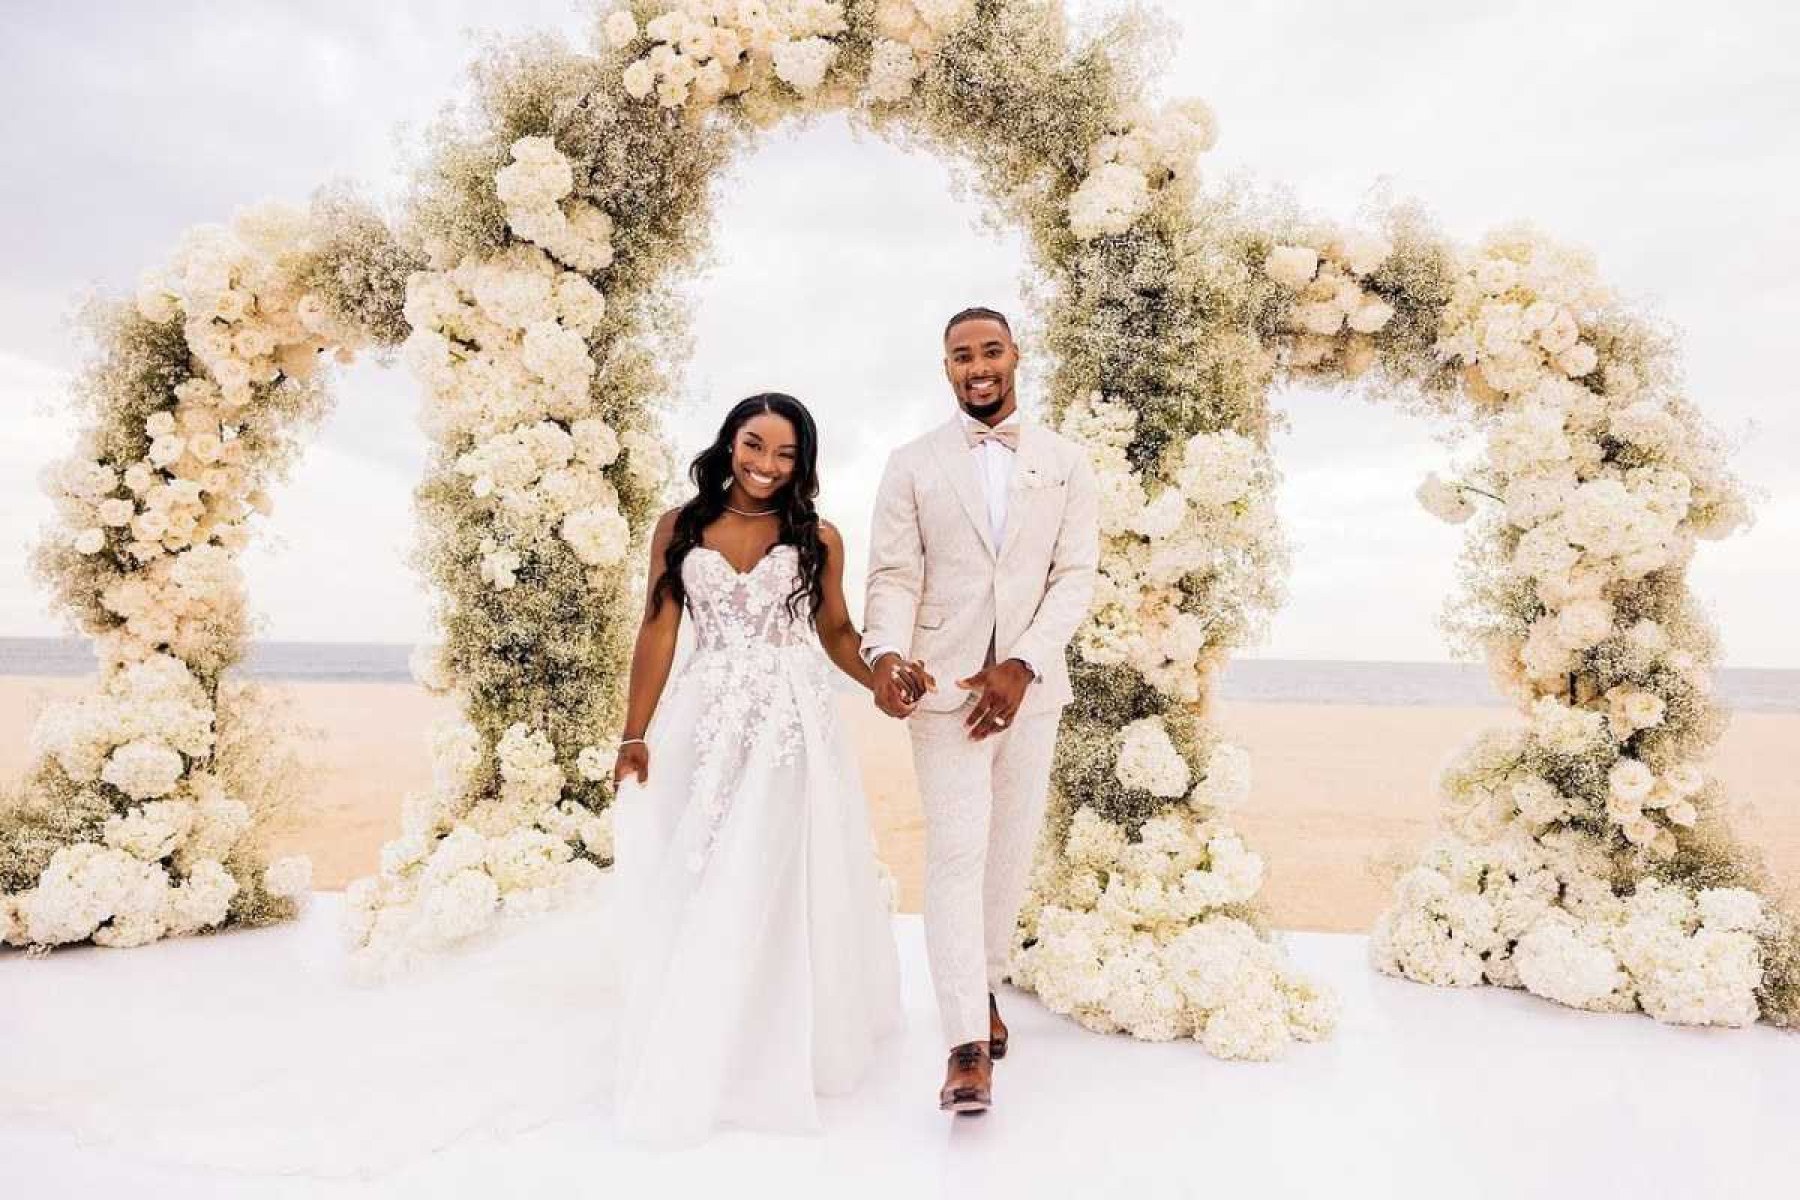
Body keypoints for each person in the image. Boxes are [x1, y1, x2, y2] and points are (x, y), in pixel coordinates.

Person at [609, 392, 903, 1146]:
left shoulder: (818, 536)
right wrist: (633, 734)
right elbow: (658, 627)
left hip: (790, 720)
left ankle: (781, 1037)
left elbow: (836, 631)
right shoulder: (680, 527)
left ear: (802, 463)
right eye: (754, 445)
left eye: (785, 453)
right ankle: (711, 1029)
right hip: (704, 718)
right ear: (728, 442)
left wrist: (879, 678)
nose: (766, 465)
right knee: (706, 864)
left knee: (777, 867)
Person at [862, 308, 1099, 1114]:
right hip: (945, 694)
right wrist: (885, 654)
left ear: (1015, 356)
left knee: (1009, 854)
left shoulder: (1067, 463)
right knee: (958, 855)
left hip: (1031, 695)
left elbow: (1075, 577)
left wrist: (1024, 664)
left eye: (990, 350)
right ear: (947, 370)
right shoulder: (912, 464)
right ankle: (965, 1043)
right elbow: (893, 574)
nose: (978, 367)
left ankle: (982, 985)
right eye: (961, 356)